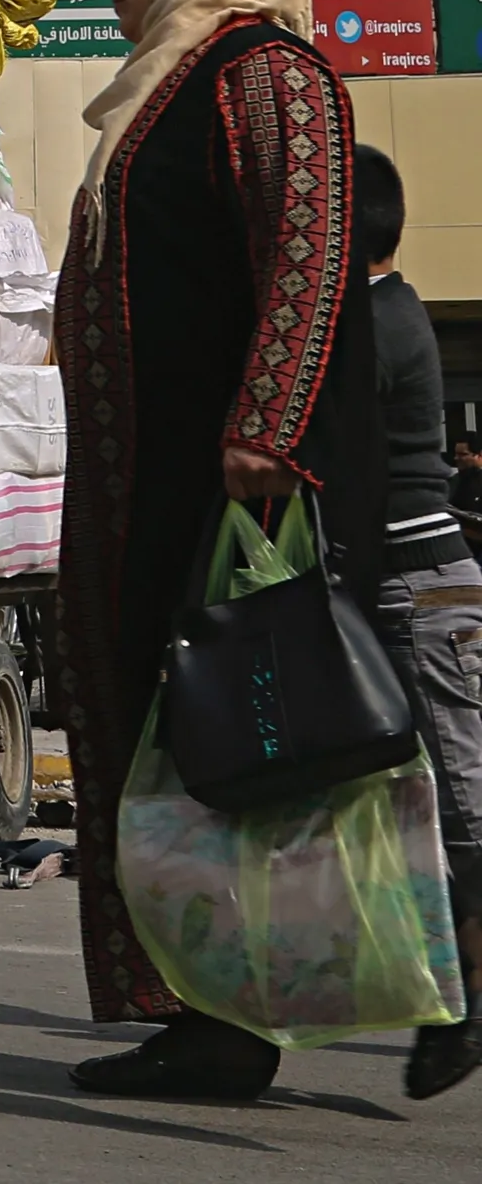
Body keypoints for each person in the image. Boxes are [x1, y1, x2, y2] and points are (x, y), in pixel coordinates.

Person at [56, 0, 389, 1100]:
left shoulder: (267, 74)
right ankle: (198, 1008)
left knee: (230, 745)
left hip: (229, 488)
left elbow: (308, 253)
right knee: (166, 743)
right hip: (152, 491)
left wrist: (264, 432)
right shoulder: (168, 90)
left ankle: (235, 1021)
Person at [353, 144, 482, 1100]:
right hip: (408, 587)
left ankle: (468, 1012)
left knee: (464, 814)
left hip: (421, 589)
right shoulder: (386, 310)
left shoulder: (372, 321)